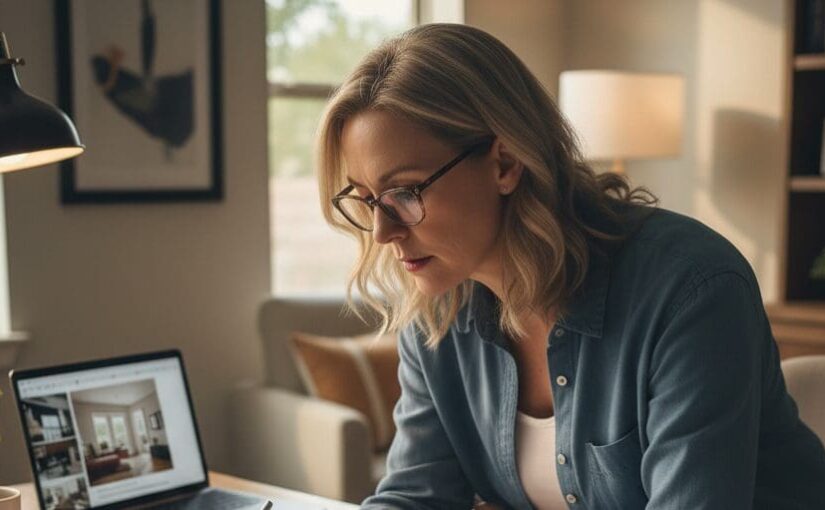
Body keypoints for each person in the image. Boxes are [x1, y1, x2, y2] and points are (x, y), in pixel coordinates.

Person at [315, 23, 825, 509]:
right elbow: (416, 497)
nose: (382, 233)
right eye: (365, 199)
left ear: (505, 162)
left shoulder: (691, 290)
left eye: (404, 193)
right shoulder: (437, 309)